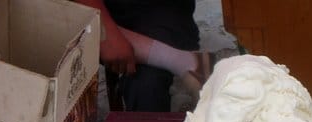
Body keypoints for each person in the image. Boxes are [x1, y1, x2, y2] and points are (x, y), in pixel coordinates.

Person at [73, 0, 210, 111]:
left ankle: (186, 62)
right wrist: (104, 30)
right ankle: (187, 63)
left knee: (147, 85)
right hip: (103, 9)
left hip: (160, 9)